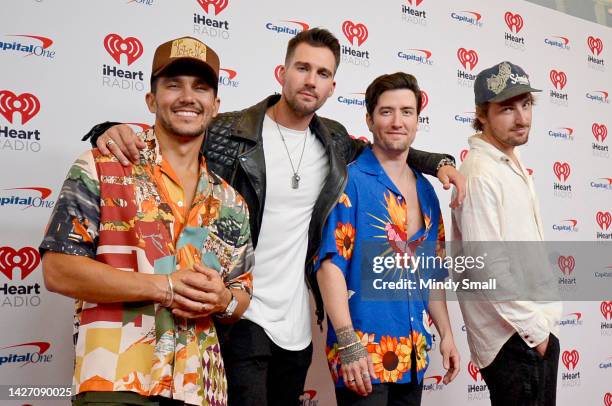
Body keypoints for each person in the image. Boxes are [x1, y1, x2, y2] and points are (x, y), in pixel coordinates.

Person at [83, 28, 465, 406]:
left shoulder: (334, 141)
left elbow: (390, 144)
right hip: (237, 314)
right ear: (282, 73)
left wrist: (438, 163)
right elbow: (176, 129)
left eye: (323, 74)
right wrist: (106, 130)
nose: (311, 81)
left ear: (332, 87)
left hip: (296, 326)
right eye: (302, 68)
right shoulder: (229, 130)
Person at [40, 36, 254, 406]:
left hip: (201, 388)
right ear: (152, 100)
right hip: (116, 379)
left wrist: (222, 300)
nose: (188, 96)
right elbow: (58, 270)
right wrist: (165, 286)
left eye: (200, 88)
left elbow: (240, 297)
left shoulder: (231, 201)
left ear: (215, 106)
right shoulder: (101, 167)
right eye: (174, 85)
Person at [316, 72, 460, 405]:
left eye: (407, 112)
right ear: (369, 119)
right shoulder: (349, 181)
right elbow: (329, 265)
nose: (397, 121)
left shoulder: (426, 191)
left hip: (413, 356)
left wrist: (447, 334)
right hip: (363, 359)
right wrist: (349, 344)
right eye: (386, 112)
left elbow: (432, 273)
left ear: (417, 120)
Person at [452, 61, 562, 406]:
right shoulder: (482, 172)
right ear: (481, 114)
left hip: (530, 331)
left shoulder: (507, 161)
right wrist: (536, 333)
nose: (521, 118)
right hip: (515, 338)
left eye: (526, 105)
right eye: (507, 108)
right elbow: (487, 267)